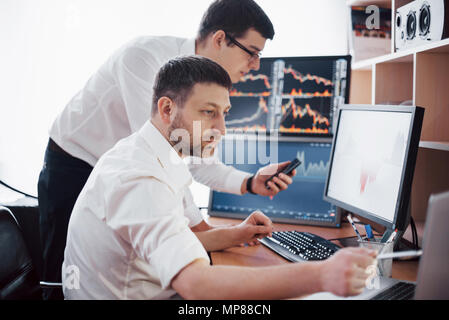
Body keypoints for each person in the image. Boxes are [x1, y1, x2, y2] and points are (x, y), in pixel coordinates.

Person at [62, 56, 377, 300]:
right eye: (208, 112)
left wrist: (238, 233)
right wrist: (322, 275)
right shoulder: (139, 179)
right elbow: (196, 285)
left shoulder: (157, 153)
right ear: (167, 109)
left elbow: (178, 242)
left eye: (224, 112)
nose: (222, 128)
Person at [38, 0, 293, 300]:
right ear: (220, 39)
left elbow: (186, 155)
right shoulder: (145, 60)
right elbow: (166, 155)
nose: (255, 66)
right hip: (73, 163)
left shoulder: (195, 87)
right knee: (64, 280)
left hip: (119, 168)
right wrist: (203, 231)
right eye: (252, 52)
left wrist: (249, 183)